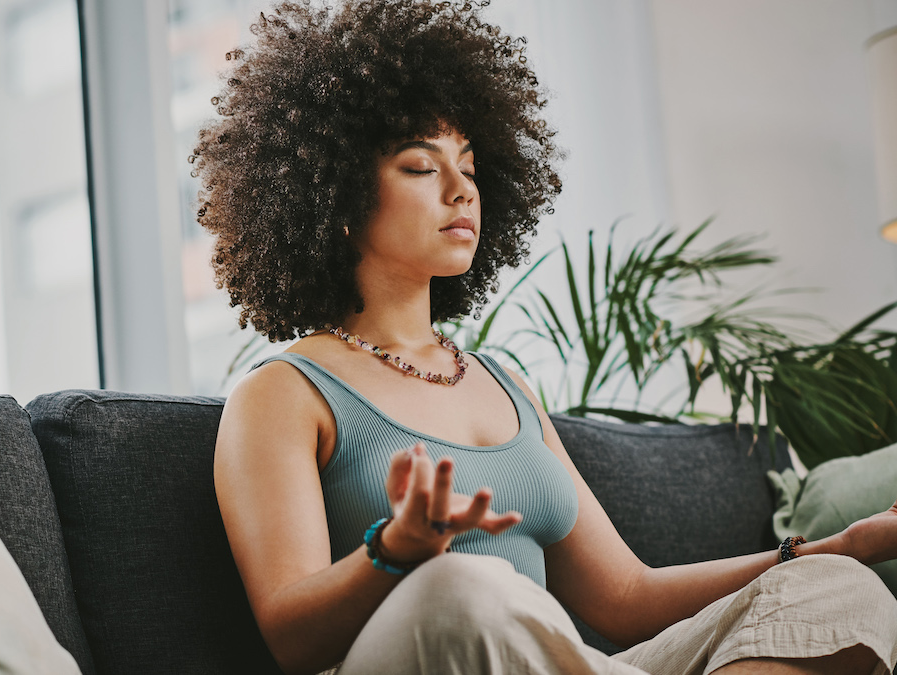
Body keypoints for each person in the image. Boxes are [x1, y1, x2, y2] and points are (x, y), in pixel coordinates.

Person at [191, 1, 897, 673]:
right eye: (419, 165)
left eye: (467, 166)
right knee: (460, 588)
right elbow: (289, 637)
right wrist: (396, 550)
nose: (460, 188)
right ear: (336, 198)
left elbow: (627, 598)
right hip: (431, 646)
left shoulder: (501, 382)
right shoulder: (282, 392)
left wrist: (829, 545)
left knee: (837, 586)